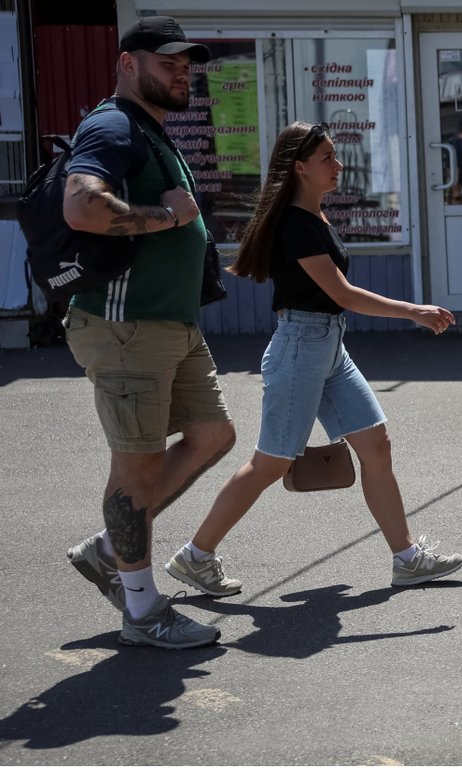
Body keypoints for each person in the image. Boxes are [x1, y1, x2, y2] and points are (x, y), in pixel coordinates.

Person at [165, 122, 462, 599]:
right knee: (270, 463)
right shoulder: (296, 225)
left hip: (328, 346)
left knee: (377, 445)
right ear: (300, 166)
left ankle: (406, 559)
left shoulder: (314, 216)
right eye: (328, 157)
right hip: (302, 347)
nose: (338, 165)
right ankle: (196, 556)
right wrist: (414, 310)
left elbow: (334, 301)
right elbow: (341, 294)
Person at [61, 16, 236, 650]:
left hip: (170, 323)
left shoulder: (151, 131)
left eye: (187, 63)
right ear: (128, 63)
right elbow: (81, 205)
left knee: (214, 435)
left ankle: (110, 549)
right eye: (168, 62)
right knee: (135, 467)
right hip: (126, 324)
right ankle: (142, 610)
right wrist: (167, 218)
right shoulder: (112, 125)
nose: (182, 71)